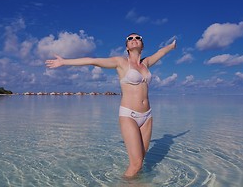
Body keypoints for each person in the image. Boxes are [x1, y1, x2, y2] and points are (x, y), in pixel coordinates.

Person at [45, 33, 177, 177]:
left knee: (141, 161)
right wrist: (64, 62)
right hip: (129, 115)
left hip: (147, 116)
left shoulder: (146, 63)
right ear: (126, 47)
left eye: (137, 38)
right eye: (130, 38)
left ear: (142, 45)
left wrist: (172, 46)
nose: (134, 40)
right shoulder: (120, 62)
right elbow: (93, 61)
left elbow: (161, 52)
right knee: (136, 164)